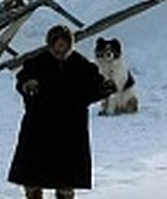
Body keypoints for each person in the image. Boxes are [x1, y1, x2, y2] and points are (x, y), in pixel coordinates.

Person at [7, 25, 116, 199]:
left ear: (70, 44)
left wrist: (103, 89)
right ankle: (33, 193)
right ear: (50, 44)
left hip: (70, 127)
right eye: (57, 44)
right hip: (39, 125)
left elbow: (92, 88)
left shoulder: (82, 66)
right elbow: (23, 80)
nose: (60, 48)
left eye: (64, 44)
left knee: (66, 177)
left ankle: (65, 193)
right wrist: (28, 86)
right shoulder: (37, 63)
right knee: (34, 173)